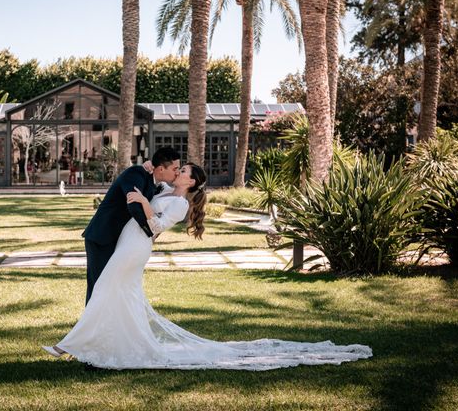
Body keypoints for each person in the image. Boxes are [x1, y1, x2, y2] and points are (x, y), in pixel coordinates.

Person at [43, 163, 373, 371]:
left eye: (184, 171)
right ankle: (115, 344)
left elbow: (156, 227)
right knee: (120, 295)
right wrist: (147, 175)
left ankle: (69, 345)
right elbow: (148, 180)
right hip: (125, 243)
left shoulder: (180, 203)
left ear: (193, 182)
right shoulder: (163, 189)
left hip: (135, 248)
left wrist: (144, 204)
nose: (178, 172)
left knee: (105, 289)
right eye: (178, 168)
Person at [81, 147, 181, 304]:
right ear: (161, 168)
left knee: (114, 286)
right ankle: (89, 327)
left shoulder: (156, 183)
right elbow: (133, 205)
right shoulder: (136, 173)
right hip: (102, 236)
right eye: (175, 168)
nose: (177, 172)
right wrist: (150, 232)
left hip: (121, 241)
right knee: (98, 286)